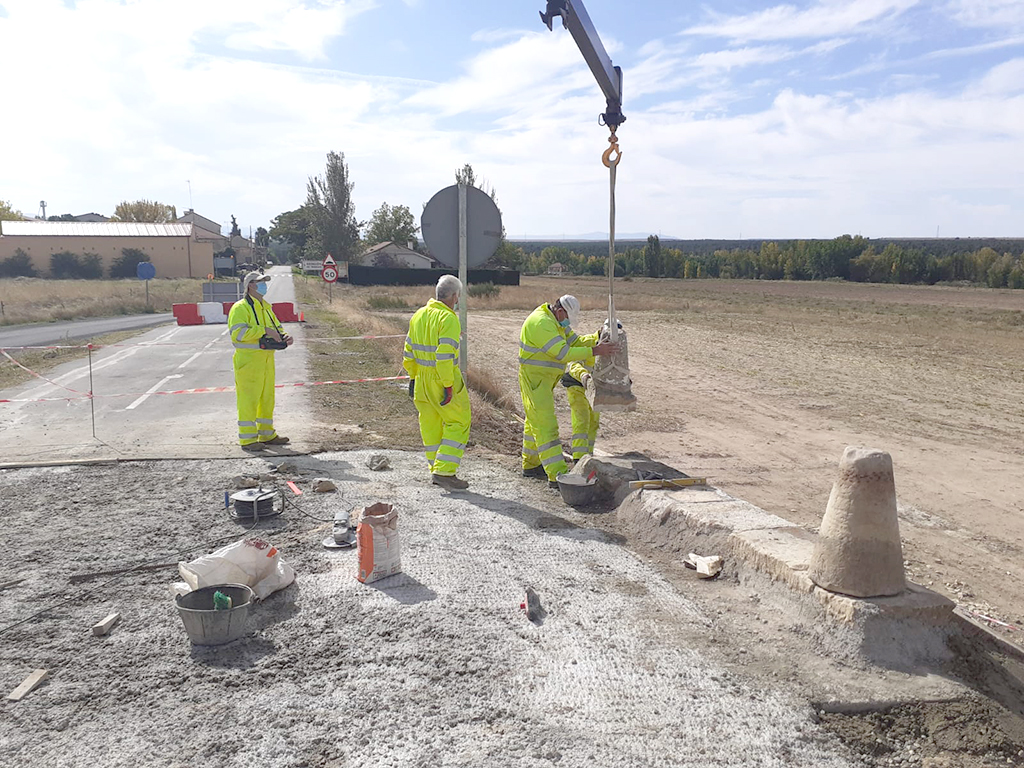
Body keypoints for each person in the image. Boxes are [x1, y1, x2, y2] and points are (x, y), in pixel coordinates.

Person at [518, 295, 619, 487]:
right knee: (546, 425)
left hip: (544, 380)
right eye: (567, 319)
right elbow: (563, 353)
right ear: (560, 310)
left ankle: (531, 465)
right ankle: (558, 475)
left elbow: (575, 342)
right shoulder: (541, 323)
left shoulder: (557, 323)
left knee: (534, 421)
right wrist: (596, 351)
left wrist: (596, 337)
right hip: (535, 380)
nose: (567, 323)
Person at [403, 275, 471, 490]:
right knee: (459, 422)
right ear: (454, 296)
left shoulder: (419, 315)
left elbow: (408, 352)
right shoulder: (449, 319)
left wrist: (413, 377)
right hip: (441, 379)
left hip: (421, 379)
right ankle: (444, 472)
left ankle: (436, 467)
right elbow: (443, 357)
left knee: (430, 424)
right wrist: (448, 385)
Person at [228, 271, 293, 452]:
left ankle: (266, 434)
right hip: (248, 362)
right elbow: (238, 334)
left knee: (266, 398)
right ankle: (248, 439)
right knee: (249, 399)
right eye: (260, 282)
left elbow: (277, 327)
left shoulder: (265, 306)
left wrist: (284, 336)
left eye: (265, 282)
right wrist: (262, 330)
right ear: (250, 285)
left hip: (266, 359)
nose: (264, 285)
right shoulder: (240, 308)